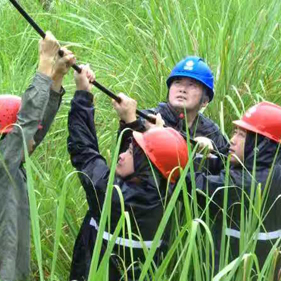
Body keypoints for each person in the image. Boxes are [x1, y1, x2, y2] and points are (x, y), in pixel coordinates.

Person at [0, 32, 75, 280]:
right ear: (11, 136)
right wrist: (45, 64)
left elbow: (33, 126)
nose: (34, 140)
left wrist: (56, 78)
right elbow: (27, 121)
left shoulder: (10, 165)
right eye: (26, 135)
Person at [67, 65, 189, 281]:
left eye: (132, 150)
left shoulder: (113, 196)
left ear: (145, 164)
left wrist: (83, 95)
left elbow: (84, 151)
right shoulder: (169, 192)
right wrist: (136, 125)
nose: (122, 155)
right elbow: (142, 164)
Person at [192, 102, 281, 278]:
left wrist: (172, 144)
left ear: (261, 144)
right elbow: (228, 168)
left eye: (242, 135)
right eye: (235, 132)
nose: (232, 139)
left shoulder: (248, 182)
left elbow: (192, 186)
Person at [114, 56, 229, 157]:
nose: (182, 89)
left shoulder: (211, 131)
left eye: (191, 85)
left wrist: (211, 151)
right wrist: (132, 124)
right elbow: (126, 164)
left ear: (205, 101)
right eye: (177, 82)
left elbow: (230, 170)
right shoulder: (147, 119)